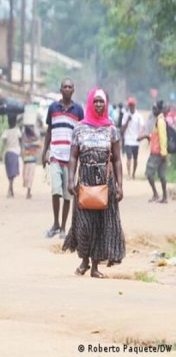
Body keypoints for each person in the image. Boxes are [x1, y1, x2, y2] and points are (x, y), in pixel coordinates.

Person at [62, 88, 125, 278]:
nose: (98, 104)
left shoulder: (111, 129)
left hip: (105, 182)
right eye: (96, 101)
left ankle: (95, 266)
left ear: (106, 104)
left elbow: (117, 159)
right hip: (85, 181)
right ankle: (84, 262)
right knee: (84, 224)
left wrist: (120, 185)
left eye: (101, 102)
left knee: (100, 224)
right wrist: (71, 179)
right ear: (90, 103)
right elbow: (73, 156)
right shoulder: (79, 128)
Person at [41, 78, 84, 239]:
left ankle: (64, 228)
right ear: (61, 89)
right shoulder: (53, 108)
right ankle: (55, 223)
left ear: (73, 90)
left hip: (71, 159)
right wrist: (45, 151)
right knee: (55, 191)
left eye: (70, 87)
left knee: (68, 194)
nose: (67, 89)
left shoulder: (78, 111)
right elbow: (49, 131)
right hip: (55, 156)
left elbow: (81, 134)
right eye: (64, 87)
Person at [139, 100, 168, 203]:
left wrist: (163, 152)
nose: (153, 110)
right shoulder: (159, 120)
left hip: (157, 153)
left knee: (149, 173)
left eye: (155, 108)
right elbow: (157, 136)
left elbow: (163, 137)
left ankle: (156, 194)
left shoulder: (160, 121)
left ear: (159, 109)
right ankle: (164, 197)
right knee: (162, 175)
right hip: (161, 152)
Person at [120, 97, 144, 180]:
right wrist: (127, 121)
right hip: (128, 140)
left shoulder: (138, 116)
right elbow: (122, 130)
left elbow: (141, 127)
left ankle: (133, 173)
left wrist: (140, 134)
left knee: (135, 159)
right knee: (129, 158)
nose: (131, 107)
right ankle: (129, 174)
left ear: (134, 105)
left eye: (132, 105)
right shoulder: (126, 115)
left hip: (136, 141)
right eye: (130, 105)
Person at [0, 114, 21, 198]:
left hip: (8, 153)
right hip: (15, 153)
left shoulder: (6, 132)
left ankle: (11, 190)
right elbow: (20, 139)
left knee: (9, 173)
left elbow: (3, 144)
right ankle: (9, 190)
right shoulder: (17, 131)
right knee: (13, 173)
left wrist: (0, 153)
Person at [22, 124, 41, 199]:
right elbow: (40, 145)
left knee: (26, 176)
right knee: (30, 176)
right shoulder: (35, 141)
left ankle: (28, 191)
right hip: (32, 160)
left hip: (26, 160)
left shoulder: (26, 141)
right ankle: (28, 192)